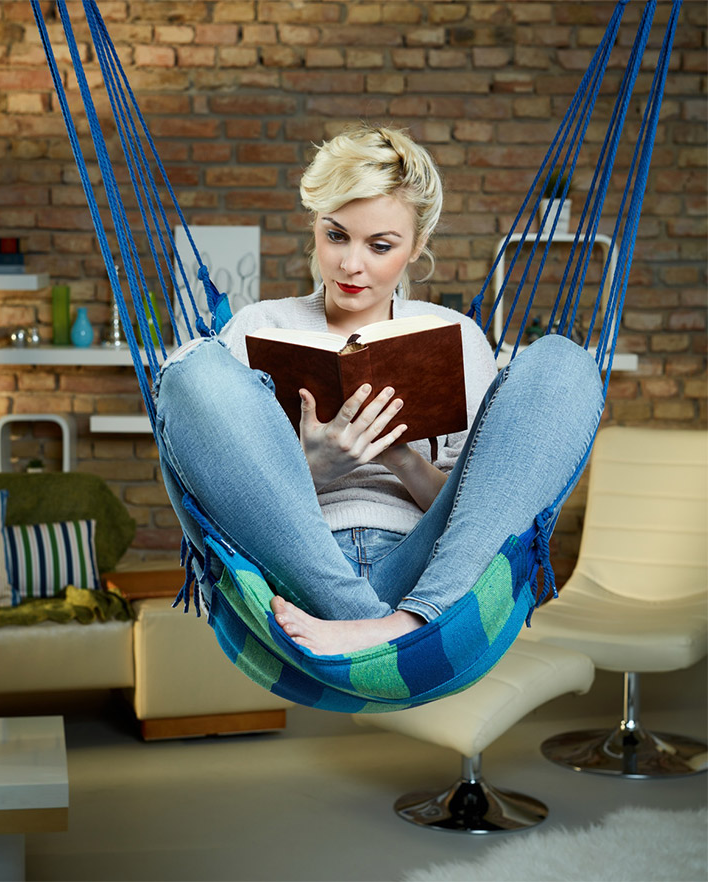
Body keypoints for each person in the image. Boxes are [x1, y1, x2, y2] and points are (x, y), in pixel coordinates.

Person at [154, 125, 604, 658]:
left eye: (381, 245)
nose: (351, 265)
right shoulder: (261, 325)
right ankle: (385, 630)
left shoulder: (456, 337)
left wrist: (400, 457)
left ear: (417, 247)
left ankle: (402, 627)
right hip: (299, 578)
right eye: (336, 235)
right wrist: (314, 465)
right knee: (189, 370)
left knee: (563, 362)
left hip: (425, 574)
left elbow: (481, 513)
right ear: (314, 227)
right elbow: (235, 492)